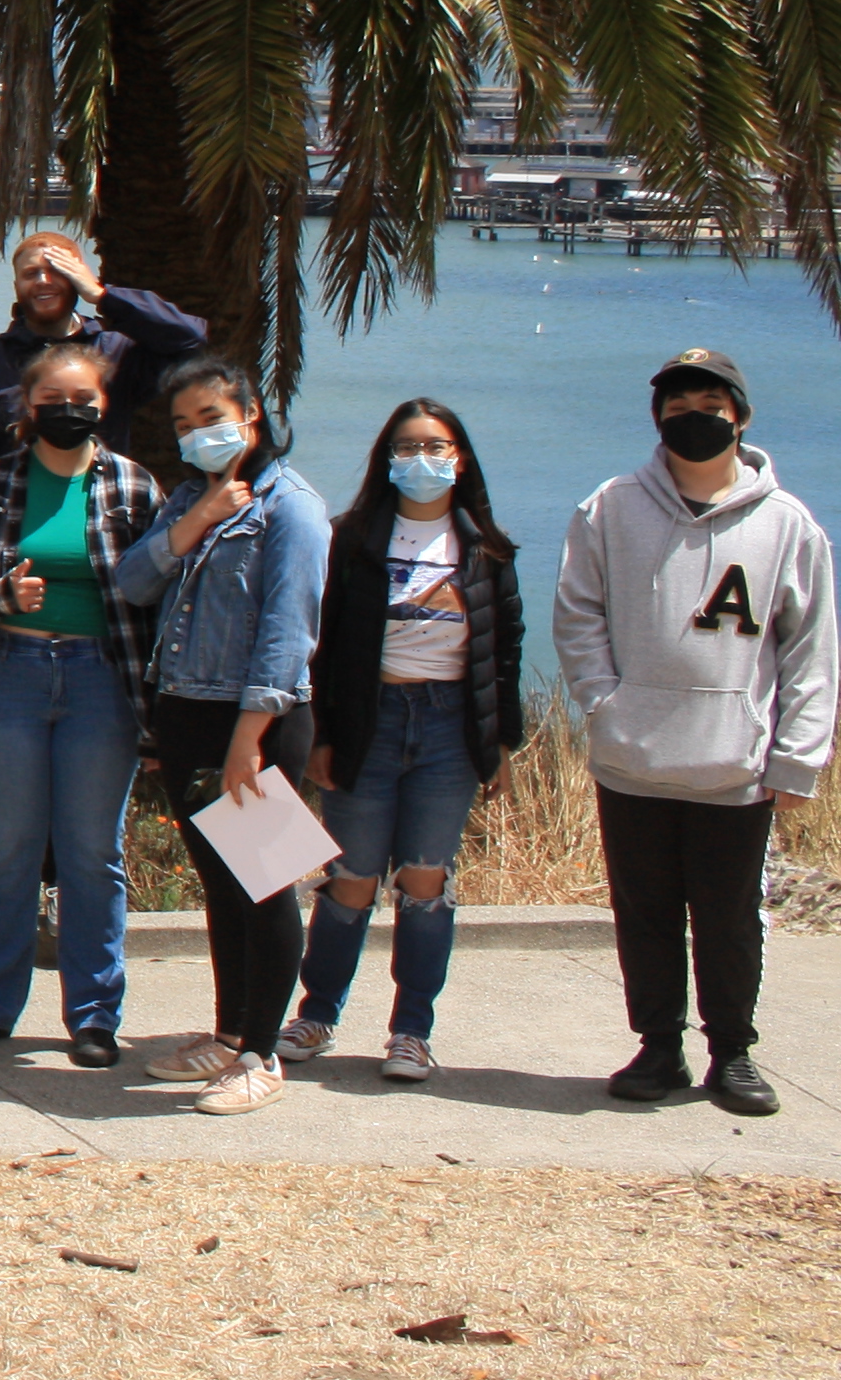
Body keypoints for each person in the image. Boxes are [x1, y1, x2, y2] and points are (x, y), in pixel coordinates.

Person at [554, 348, 831, 1118]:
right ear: (657, 420)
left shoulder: (788, 525)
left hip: (733, 766)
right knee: (643, 911)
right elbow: (578, 616)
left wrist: (796, 757)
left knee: (729, 917)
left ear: (740, 416)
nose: (694, 418)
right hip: (633, 760)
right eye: (677, 406)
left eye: (710, 403)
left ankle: (733, 1052)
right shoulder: (609, 508)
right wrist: (605, 704)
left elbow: (811, 650)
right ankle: (657, 1046)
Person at [0, 344, 162, 1064]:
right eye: (52, 400)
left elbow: (155, 589)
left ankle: (93, 1016)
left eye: (82, 400)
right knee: (8, 853)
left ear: (103, 406)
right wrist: (2, 597)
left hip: (101, 681)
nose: (68, 412)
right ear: (29, 408)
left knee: (93, 853)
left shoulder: (131, 486)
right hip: (9, 677)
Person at [105, 356, 329, 1115]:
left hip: (257, 722)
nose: (199, 434)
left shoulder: (289, 507)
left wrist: (249, 738)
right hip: (185, 711)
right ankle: (231, 1032)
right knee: (220, 887)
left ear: (251, 414)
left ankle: (262, 1056)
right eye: (184, 425)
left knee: (265, 889)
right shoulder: (187, 500)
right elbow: (133, 582)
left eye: (212, 417)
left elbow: (287, 632)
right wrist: (195, 520)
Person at [288, 398, 526, 1082]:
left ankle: (412, 1031)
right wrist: (322, 736)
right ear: (386, 458)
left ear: (461, 457)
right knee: (352, 878)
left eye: (437, 447)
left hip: (451, 729)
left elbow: (505, 652)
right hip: (372, 721)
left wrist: (501, 742)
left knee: (425, 880)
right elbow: (323, 649)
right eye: (408, 447)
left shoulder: (486, 548)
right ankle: (317, 1013)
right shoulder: (352, 541)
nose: (422, 460)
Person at [0, 228, 206, 463]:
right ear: (16, 287)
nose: (43, 280)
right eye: (30, 273)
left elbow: (190, 337)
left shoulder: (116, 352)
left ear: (78, 277)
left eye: (56, 270)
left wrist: (102, 296)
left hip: (101, 496)